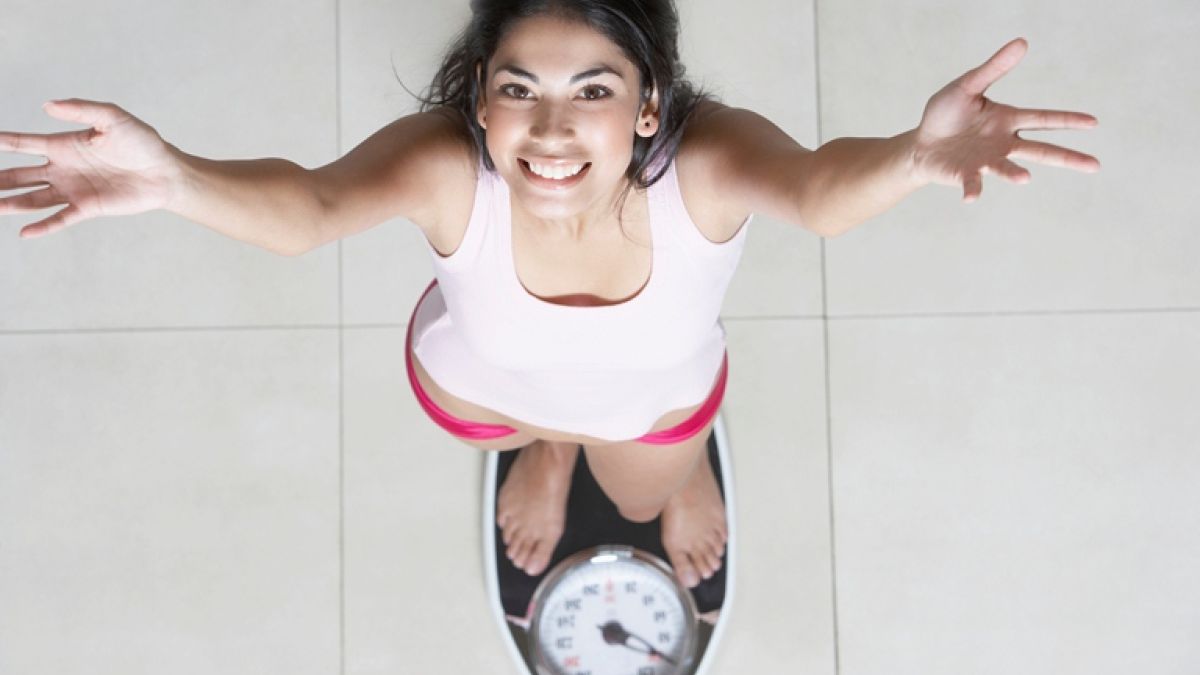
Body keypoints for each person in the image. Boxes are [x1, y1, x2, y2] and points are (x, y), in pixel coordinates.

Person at [0, 0, 1099, 589]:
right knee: (530, 433)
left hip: (651, 409)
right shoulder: (451, 166)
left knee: (641, 497)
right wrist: (177, 180)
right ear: (481, 104)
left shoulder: (704, 167)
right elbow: (312, 210)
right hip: (478, 387)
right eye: (519, 89)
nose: (554, 129)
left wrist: (913, 156)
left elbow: (816, 194)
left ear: (649, 107)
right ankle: (549, 450)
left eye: (594, 90)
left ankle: (611, 462)